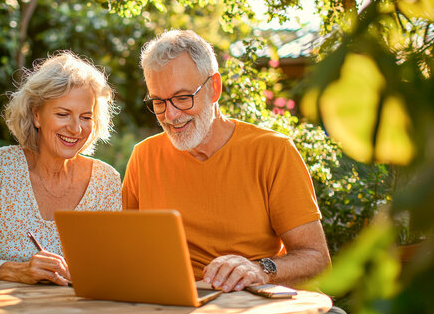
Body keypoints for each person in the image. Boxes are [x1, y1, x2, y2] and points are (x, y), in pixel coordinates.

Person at [122, 29, 331, 293]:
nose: (171, 114)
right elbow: (125, 251)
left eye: (183, 98)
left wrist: (259, 269)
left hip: (247, 304)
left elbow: (317, 260)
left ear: (214, 88)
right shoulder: (144, 156)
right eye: (159, 101)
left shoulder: (272, 151)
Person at [0, 52, 121, 289]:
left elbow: (116, 267)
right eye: (63, 114)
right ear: (37, 114)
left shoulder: (106, 181)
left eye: (86, 117)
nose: (76, 128)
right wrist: (18, 271)